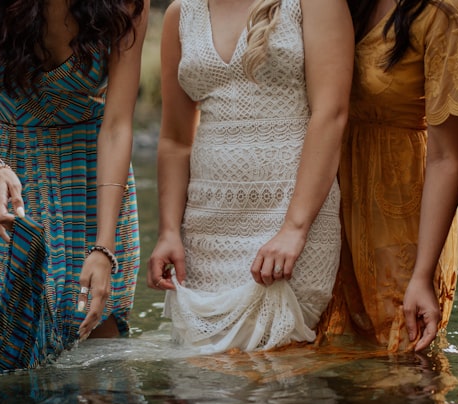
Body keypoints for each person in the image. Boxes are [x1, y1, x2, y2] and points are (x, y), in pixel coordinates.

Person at [146, 0, 353, 354]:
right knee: (205, 381)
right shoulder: (180, 14)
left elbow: (330, 115)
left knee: (276, 378)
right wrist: (168, 231)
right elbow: (176, 140)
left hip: (288, 217)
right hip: (204, 229)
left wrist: (294, 229)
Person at [0, 0, 147, 372]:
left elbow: (118, 125)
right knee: (11, 353)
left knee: (98, 364)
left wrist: (104, 245)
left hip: (97, 180)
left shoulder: (127, 3)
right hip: (13, 181)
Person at [315, 0, 458, 354]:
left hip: (404, 215)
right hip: (334, 205)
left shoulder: (445, 12)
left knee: (404, 367)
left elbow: (447, 156)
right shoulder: (346, 5)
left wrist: (422, 274)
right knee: (334, 367)